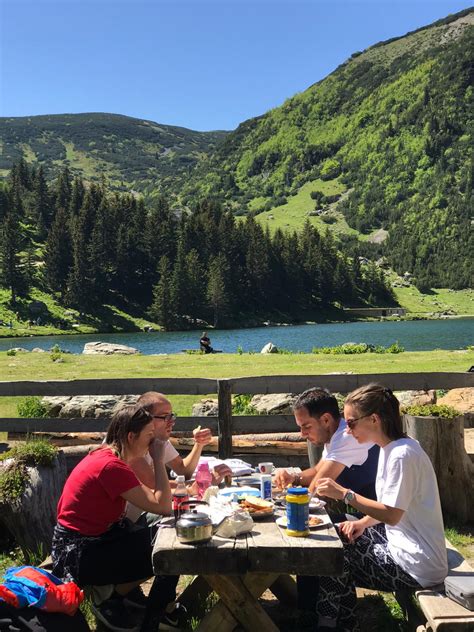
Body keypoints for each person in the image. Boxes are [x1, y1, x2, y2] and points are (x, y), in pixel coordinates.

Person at [315, 383, 448, 631]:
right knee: (334, 529)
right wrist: (362, 523)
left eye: (351, 423)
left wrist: (344, 494)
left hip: (416, 565)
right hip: (404, 545)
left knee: (333, 551)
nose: (347, 431)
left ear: (374, 419)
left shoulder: (401, 456)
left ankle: (332, 623)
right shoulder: (393, 447)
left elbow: (392, 514)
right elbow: (395, 508)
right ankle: (340, 621)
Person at [51, 405, 181, 632]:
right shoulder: (112, 467)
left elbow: (154, 501)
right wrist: (158, 460)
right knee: (173, 547)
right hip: (79, 556)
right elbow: (162, 506)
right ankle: (143, 611)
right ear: (131, 437)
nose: (153, 443)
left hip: (85, 543)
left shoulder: (110, 457)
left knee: (164, 528)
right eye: (149, 436)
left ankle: (127, 595)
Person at [126, 391, 232, 523]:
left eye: (172, 416)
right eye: (165, 417)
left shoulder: (158, 440)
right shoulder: (133, 445)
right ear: (144, 418)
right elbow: (156, 488)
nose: (171, 422)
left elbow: (183, 471)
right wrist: (192, 489)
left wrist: (199, 444)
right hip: (127, 526)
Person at [273, 387, 379, 502]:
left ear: (326, 420)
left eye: (307, 426)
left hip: (374, 517)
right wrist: (293, 477)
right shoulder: (336, 434)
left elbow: (316, 489)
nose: (302, 434)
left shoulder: (346, 437)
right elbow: (317, 471)